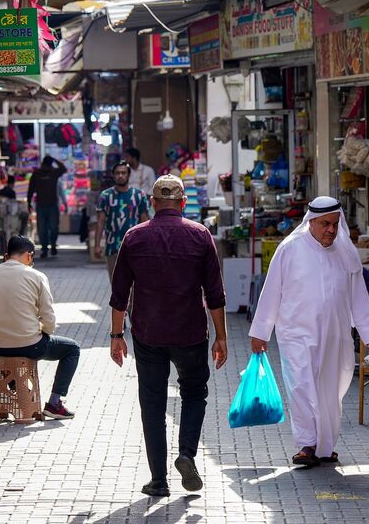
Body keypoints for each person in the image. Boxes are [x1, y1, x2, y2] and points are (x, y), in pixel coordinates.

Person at [110, 175, 227, 498]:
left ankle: (158, 480)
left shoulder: (134, 237)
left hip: (148, 335)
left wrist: (116, 335)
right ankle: (187, 453)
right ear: (183, 203)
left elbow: (119, 294)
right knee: (193, 394)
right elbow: (215, 294)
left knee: (152, 405)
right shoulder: (200, 236)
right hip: (190, 333)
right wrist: (222, 337)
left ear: (152, 202)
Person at [248, 196, 369, 468]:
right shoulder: (290, 249)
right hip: (296, 333)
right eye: (324, 224)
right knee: (300, 384)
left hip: (335, 335)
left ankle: (325, 446)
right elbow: (271, 290)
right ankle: (307, 444)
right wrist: (261, 331)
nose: (331, 229)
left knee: (330, 392)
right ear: (311, 223)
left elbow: (358, 297)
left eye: (334, 224)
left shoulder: (346, 253)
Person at [0, 236, 80, 420]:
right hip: (29, 345)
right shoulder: (37, 276)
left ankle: (17, 397)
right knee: (72, 348)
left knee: (9, 355)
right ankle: (54, 403)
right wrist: (45, 331)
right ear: (29, 255)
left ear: (6, 255)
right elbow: (48, 316)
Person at [94, 161, 150, 280]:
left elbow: (144, 221)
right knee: (116, 284)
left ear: (129, 175)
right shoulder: (105, 196)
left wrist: (147, 245)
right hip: (112, 247)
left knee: (134, 284)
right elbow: (100, 222)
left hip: (134, 247)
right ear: (113, 175)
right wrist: (97, 245)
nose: (120, 175)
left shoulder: (139, 195)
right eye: (117, 173)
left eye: (123, 173)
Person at [28, 156, 67, 258]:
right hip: (42, 206)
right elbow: (31, 189)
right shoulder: (37, 174)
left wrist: (54, 159)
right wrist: (29, 203)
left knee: (52, 228)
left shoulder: (53, 172)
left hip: (52, 205)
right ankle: (45, 249)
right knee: (43, 229)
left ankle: (52, 245)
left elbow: (64, 169)